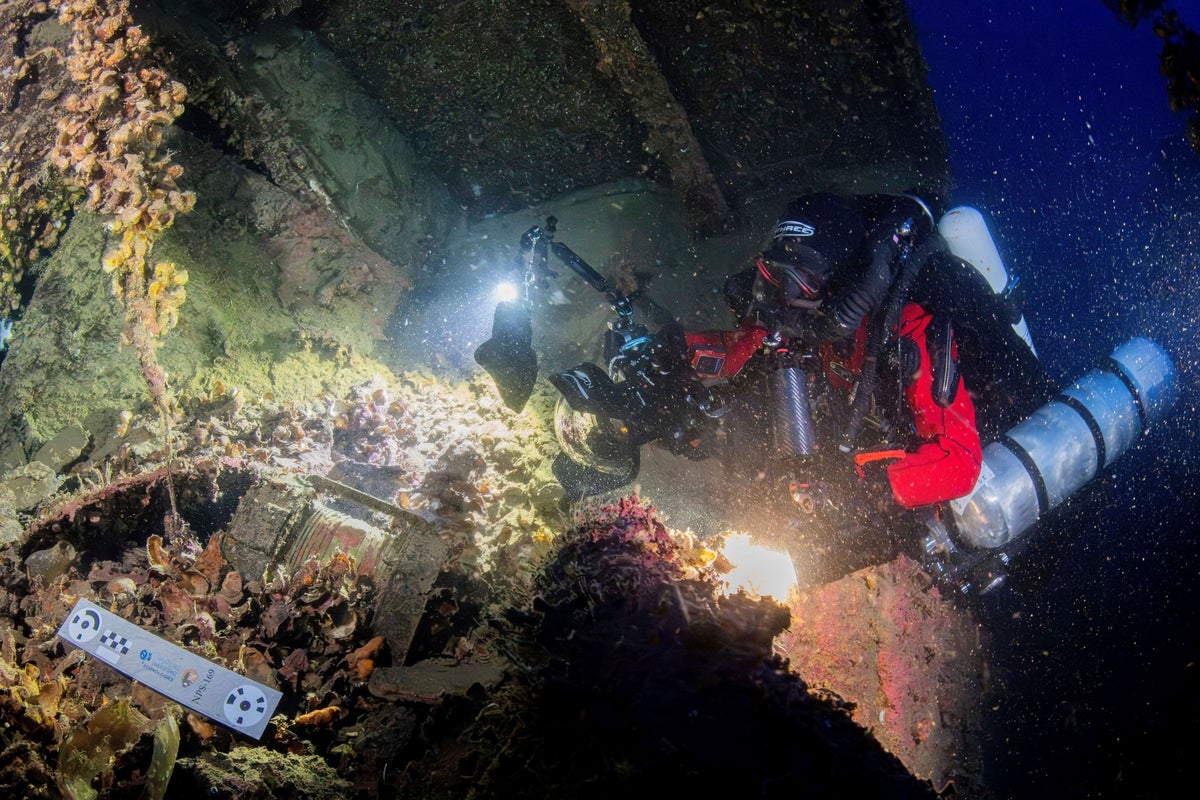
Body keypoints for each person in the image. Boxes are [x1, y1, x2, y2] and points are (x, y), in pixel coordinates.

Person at [677, 191, 1054, 515]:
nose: (781, 298)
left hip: (966, 448)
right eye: (772, 273)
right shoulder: (798, 304)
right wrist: (676, 351)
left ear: (843, 284)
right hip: (859, 433)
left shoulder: (911, 323)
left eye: (801, 283)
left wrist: (863, 485)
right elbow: (740, 349)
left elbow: (959, 463)